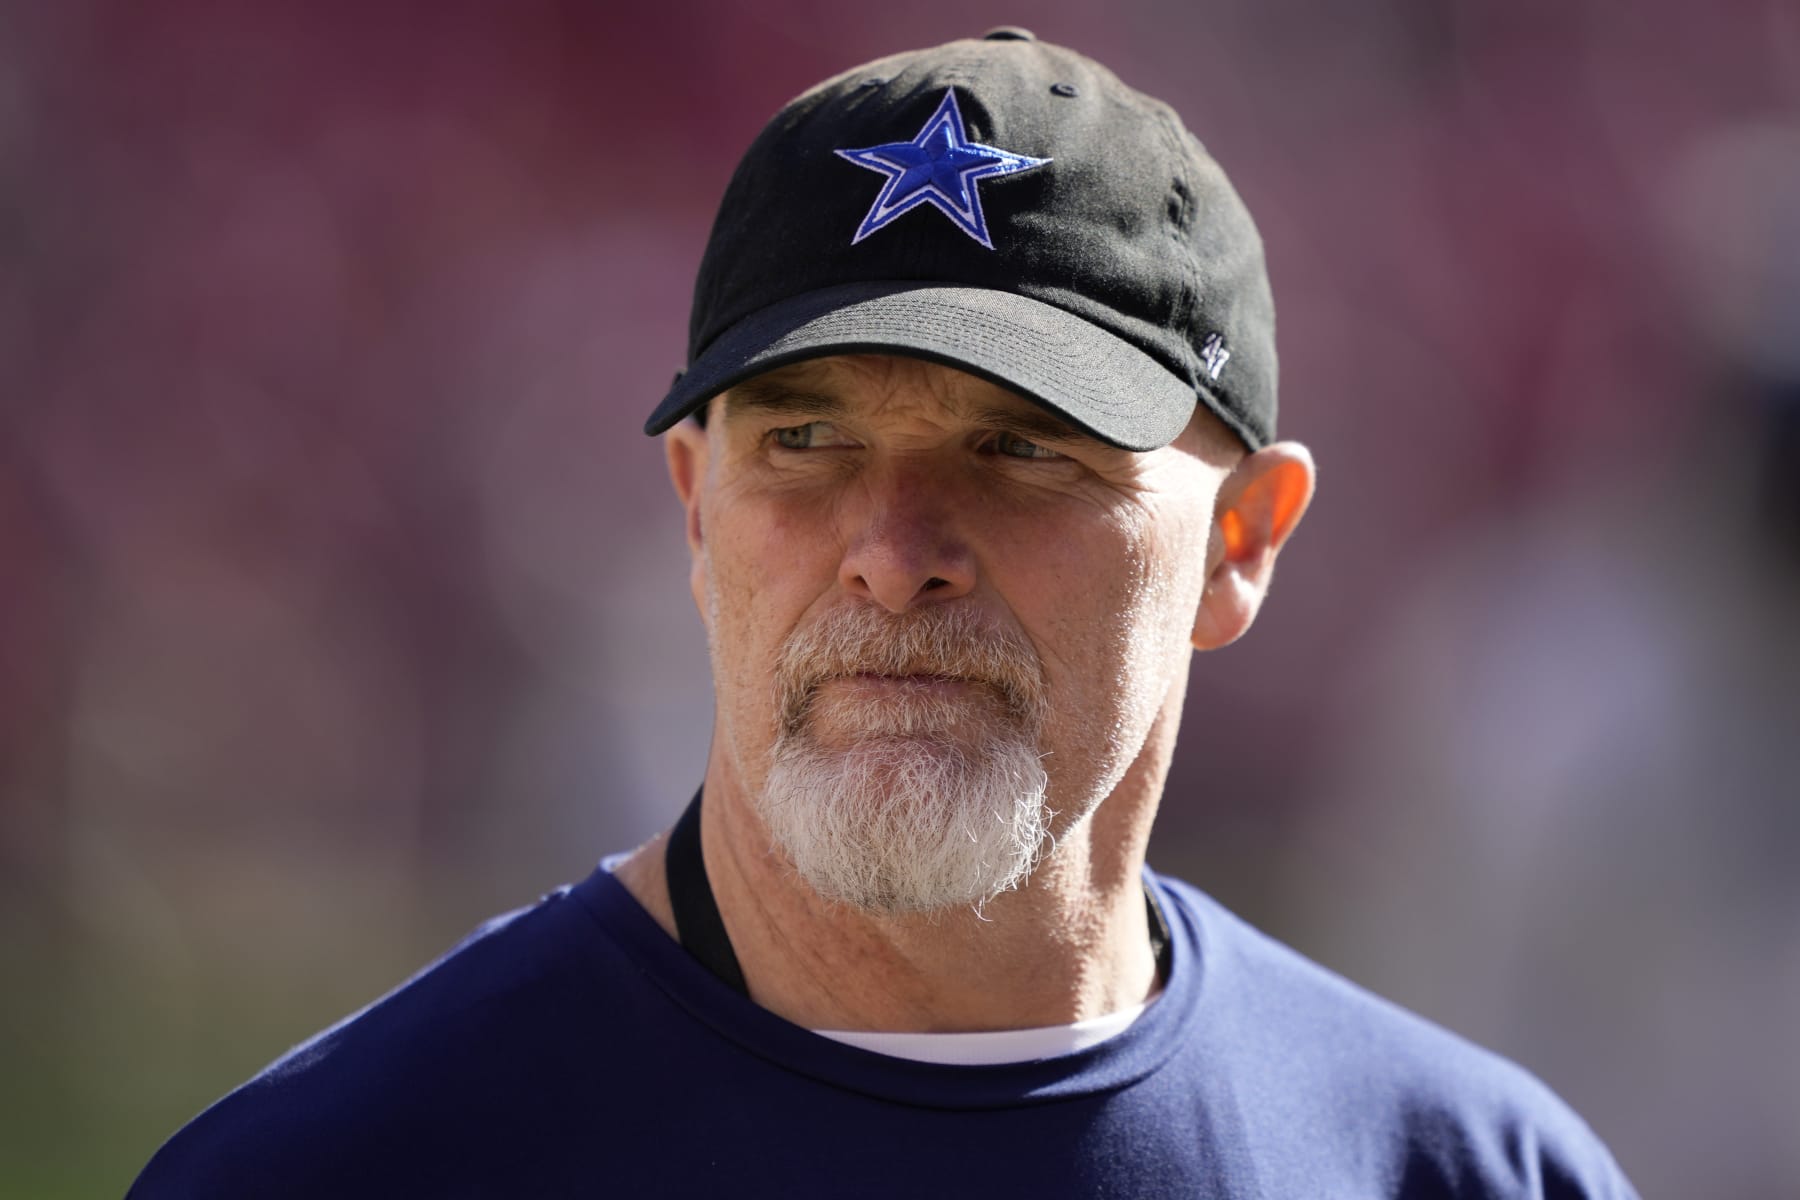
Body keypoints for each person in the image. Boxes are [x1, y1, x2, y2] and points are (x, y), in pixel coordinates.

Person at [129, 29, 1638, 1198]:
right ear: (696, 506)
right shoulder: (340, 1171)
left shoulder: (1462, 1172)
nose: (895, 553)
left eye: (1025, 449)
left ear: (1241, 540)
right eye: (803, 439)